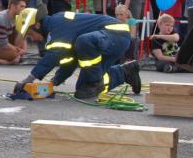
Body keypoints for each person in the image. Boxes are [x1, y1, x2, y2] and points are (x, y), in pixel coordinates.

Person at [11, 8, 141, 100]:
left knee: (84, 41)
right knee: (83, 91)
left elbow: (54, 55)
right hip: (106, 39)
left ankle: (96, 81)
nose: (32, 39)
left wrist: (29, 79)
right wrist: (54, 82)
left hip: (115, 34)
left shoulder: (56, 26)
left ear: (37, 24)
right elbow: (70, 60)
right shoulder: (57, 29)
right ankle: (125, 73)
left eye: (30, 34)